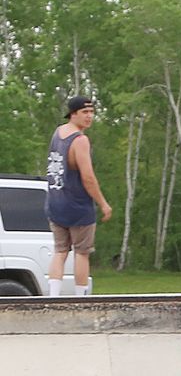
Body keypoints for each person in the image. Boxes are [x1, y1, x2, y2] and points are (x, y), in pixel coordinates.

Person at [44, 96, 113, 296]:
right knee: (82, 253)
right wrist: (103, 203)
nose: (89, 117)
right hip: (77, 206)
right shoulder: (80, 140)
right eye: (85, 112)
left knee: (60, 251)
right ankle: (81, 297)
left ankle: (53, 297)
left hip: (55, 202)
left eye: (92, 112)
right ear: (73, 114)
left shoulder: (58, 133)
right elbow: (88, 178)